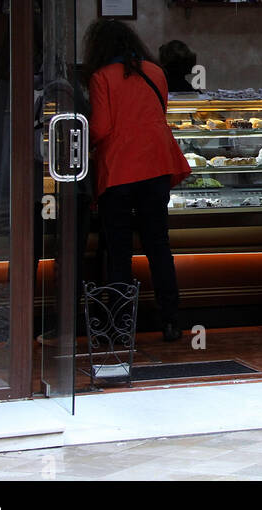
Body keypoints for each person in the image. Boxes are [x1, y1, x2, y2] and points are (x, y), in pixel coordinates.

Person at [82, 19, 192, 342]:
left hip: (119, 172)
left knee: (118, 251)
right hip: (156, 167)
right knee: (159, 245)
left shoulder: (100, 77)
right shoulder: (156, 72)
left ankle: (120, 326)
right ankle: (171, 320)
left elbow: (100, 129)